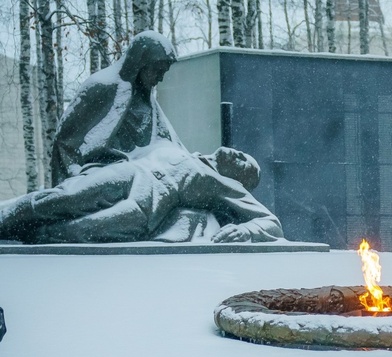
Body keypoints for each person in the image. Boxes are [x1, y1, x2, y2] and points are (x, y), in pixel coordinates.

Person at [0, 142, 283, 244]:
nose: (239, 155)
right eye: (244, 154)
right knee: (63, 198)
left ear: (239, 180)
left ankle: (23, 235)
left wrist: (246, 231)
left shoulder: (226, 186)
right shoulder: (180, 147)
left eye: (245, 164)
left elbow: (273, 223)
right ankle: (5, 217)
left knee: (76, 231)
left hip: (150, 203)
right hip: (132, 172)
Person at [51, 30, 180, 185]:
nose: (160, 78)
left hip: (142, 176)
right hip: (104, 175)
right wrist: (75, 176)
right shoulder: (102, 87)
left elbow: (167, 144)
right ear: (140, 64)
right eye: (157, 71)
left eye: (163, 72)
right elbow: (65, 142)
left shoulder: (148, 102)